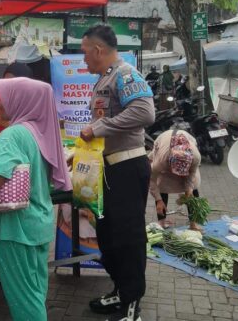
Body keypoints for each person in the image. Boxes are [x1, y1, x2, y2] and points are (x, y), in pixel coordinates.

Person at [0, 77, 71, 321]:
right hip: (39, 223)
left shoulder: (12, 135)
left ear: (22, 101)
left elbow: (0, 172)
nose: (0, 103)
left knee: (25, 301)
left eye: (6, 97)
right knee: (35, 293)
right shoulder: (40, 132)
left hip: (16, 228)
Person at [79, 24, 154, 320]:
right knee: (108, 236)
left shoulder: (125, 74)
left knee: (128, 237)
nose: (83, 59)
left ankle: (133, 301)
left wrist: (98, 128)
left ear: (98, 50)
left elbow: (144, 112)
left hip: (127, 167)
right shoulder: (104, 79)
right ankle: (120, 289)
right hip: (107, 169)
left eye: (85, 52)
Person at [148, 129, 202, 230]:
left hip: (186, 141)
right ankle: (161, 222)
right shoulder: (161, 161)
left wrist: (188, 192)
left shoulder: (195, 157)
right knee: (162, 186)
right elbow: (152, 181)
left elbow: (190, 178)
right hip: (163, 144)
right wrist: (158, 200)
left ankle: (193, 224)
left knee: (193, 189)